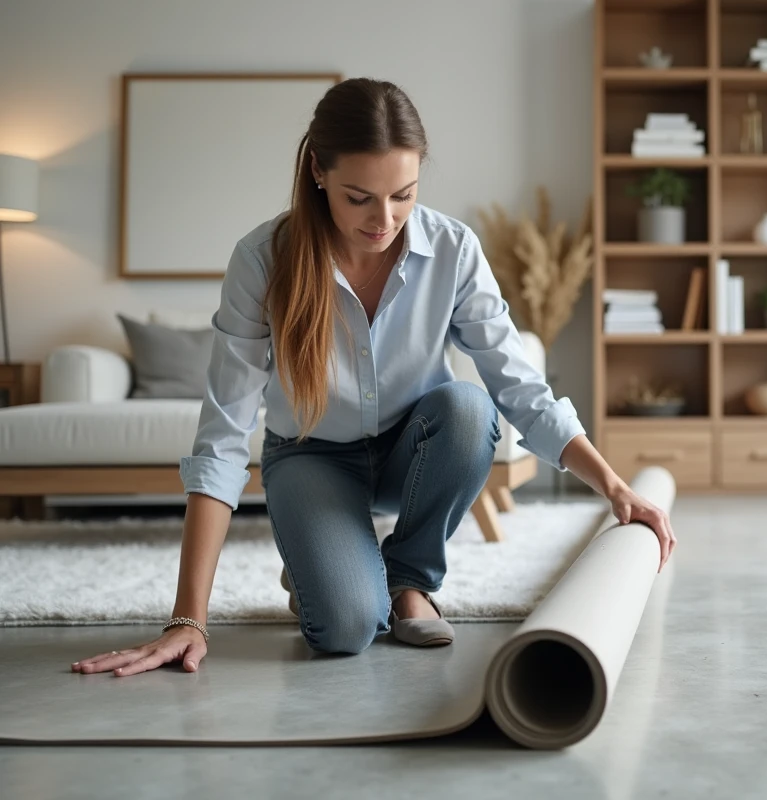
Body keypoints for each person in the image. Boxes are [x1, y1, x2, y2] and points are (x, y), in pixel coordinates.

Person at [71, 77, 675, 678]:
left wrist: (614, 486)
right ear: (318, 172)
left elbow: (518, 387)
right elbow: (223, 436)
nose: (383, 220)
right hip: (310, 458)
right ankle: (326, 564)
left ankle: (410, 580)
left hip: (412, 453)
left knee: (468, 409)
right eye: (359, 197)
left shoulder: (454, 250)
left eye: (403, 195)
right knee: (344, 631)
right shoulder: (261, 261)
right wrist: (187, 620)